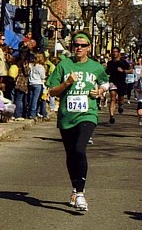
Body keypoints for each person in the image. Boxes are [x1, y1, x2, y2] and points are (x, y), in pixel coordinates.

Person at [46, 32, 109, 212]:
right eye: (76, 45)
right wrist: (66, 83)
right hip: (67, 116)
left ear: (89, 47)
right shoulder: (64, 65)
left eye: (82, 45)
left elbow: (105, 82)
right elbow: (51, 91)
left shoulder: (96, 67)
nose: (79, 48)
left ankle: (80, 193)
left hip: (87, 114)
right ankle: (75, 187)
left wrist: (100, 91)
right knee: (71, 154)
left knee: (80, 149)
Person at [105, 47, 132, 123]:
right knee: (113, 98)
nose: (114, 53)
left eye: (116, 51)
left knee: (121, 99)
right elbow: (107, 71)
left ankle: (120, 106)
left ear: (119, 53)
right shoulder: (109, 63)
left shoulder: (123, 62)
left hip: (121, 82)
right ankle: (111, 116)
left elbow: (131, 70)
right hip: (112, 82)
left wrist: (123, 71)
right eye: (113, 52)